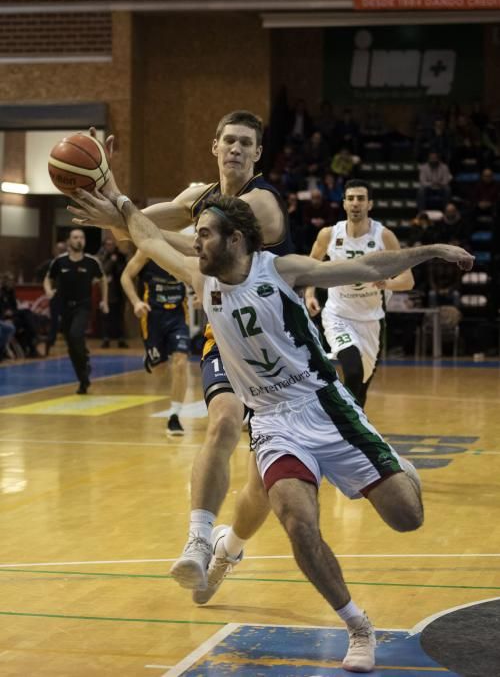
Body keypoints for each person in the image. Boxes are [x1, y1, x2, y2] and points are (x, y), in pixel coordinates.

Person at [69, 190, 473, 673]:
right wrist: (117, 197)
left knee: (408, 517)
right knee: (297, 523)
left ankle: (396, 470)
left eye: (203, 235)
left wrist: (431, 250)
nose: (195, 244)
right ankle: (357, 624)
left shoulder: (280, 270)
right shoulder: (202, 278)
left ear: (234, 239)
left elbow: (369, 268)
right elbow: (149, 238)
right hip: (273, 422)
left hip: (323, 406)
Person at [83, 111, 294, 593]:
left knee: (265, 483)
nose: (236, 149)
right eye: (229, 141)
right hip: (225, 336)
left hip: (281, 348)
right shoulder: (197, 197)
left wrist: (129, 217)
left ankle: (230, 548)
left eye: (246, 142)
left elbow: (180, 243)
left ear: (258, 153)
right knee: (220, 421)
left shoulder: (261, 203)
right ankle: (198, 542)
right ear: (214, 146)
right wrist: (102, 183)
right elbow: (126, 227)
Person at [305, 180, 414, 408]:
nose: (356, 203)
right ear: (344, 203)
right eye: (351, 198)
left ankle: (351, 429)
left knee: (360, 389)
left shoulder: (384, 236)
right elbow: (310, 267)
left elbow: (408, 280)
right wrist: (309, 295)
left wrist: (387, 284)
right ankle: (337, 423)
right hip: (338, 315)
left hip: (371, 320)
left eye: (361, 199)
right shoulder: (329, 234)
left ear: (370, 204)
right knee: (352, 371)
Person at [121, 250, 189, 436]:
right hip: (152, 317)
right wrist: (135, 302)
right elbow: (126, 276)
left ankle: (174, 416)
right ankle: (151, 359)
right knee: (159, 369)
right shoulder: (147, 251)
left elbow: (205, 273)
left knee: (181, 362)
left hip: (178, 316)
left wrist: (202, 294)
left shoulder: (182, 250)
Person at [45, 228, 109, 394]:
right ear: (69, 241)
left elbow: (103, 280)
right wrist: (48, 291)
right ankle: (83, 379)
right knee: (71, 346)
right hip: (65, 307)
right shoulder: (60, 261)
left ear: (84, 241)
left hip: (83, 306)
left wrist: (104, 301)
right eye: (75, 237)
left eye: (81, 237)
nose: (79, 240)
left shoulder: (91, 262)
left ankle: (85, 360)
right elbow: (48, 278)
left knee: (75, 334)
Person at [97, 236, 129, 348]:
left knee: (119, 316)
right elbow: (103, 271)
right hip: (108, 293)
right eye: (107, 244)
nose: (110, 246)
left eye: (111, 244)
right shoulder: (102, 256)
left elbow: (125, 271)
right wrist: (111, 261)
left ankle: (121, 339)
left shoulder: (120, 256)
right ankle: (106, 339)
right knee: (106, 316)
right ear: (105, 246)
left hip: (120, 290)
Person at [37, 240, 67, 356]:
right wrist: (48, 286)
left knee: (68, 320)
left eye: (63, 250)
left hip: (68, 296)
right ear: (55, 251)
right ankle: (50, 342)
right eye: (59, 250)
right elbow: (39, 272)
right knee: (54, 321)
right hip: (55, 295)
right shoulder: (50, 263)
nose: (61, 252)